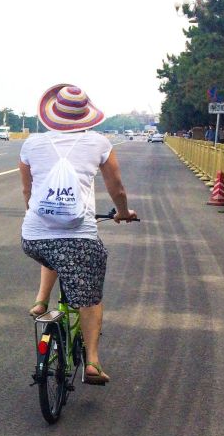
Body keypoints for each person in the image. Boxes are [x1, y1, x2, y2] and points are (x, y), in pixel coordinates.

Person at [20, 84, 137, 385]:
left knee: (55, 251)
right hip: (80, 237)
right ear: (86, 116)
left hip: (33, 236)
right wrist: (123, 213)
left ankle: (40, 300)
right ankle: (94, 363)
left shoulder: (31, 144)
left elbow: (27, 190)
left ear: (53, 114)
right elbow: (117, 189)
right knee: (89, 296)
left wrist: (40, 216)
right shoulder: (99, 143)